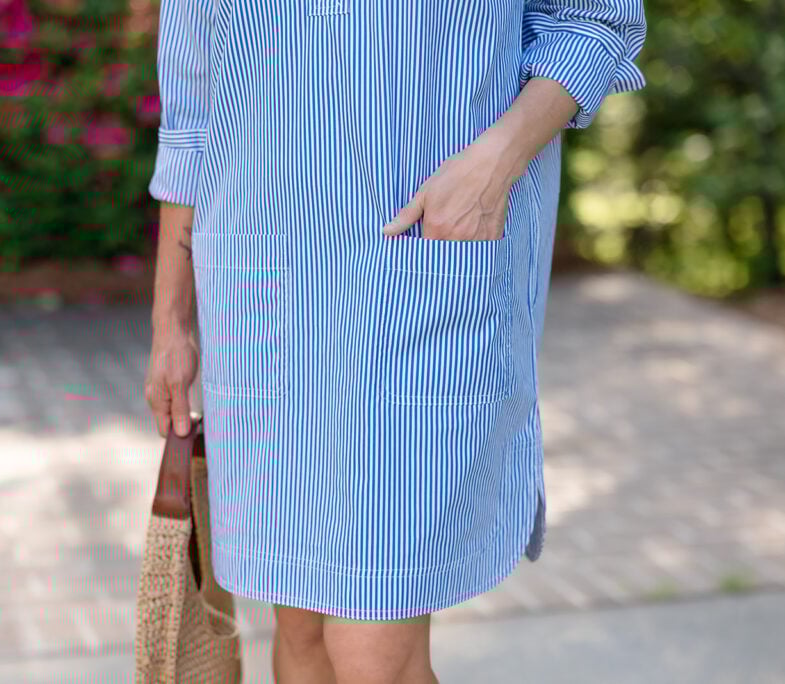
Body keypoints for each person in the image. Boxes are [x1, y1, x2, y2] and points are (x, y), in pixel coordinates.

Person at [144, 0, 647, 681]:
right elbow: (192, 119)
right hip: (261, 293)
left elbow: (596, 20)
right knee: (301, 634)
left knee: (370, 651)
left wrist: (494, 161)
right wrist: (170, 323)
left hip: (419, 267)